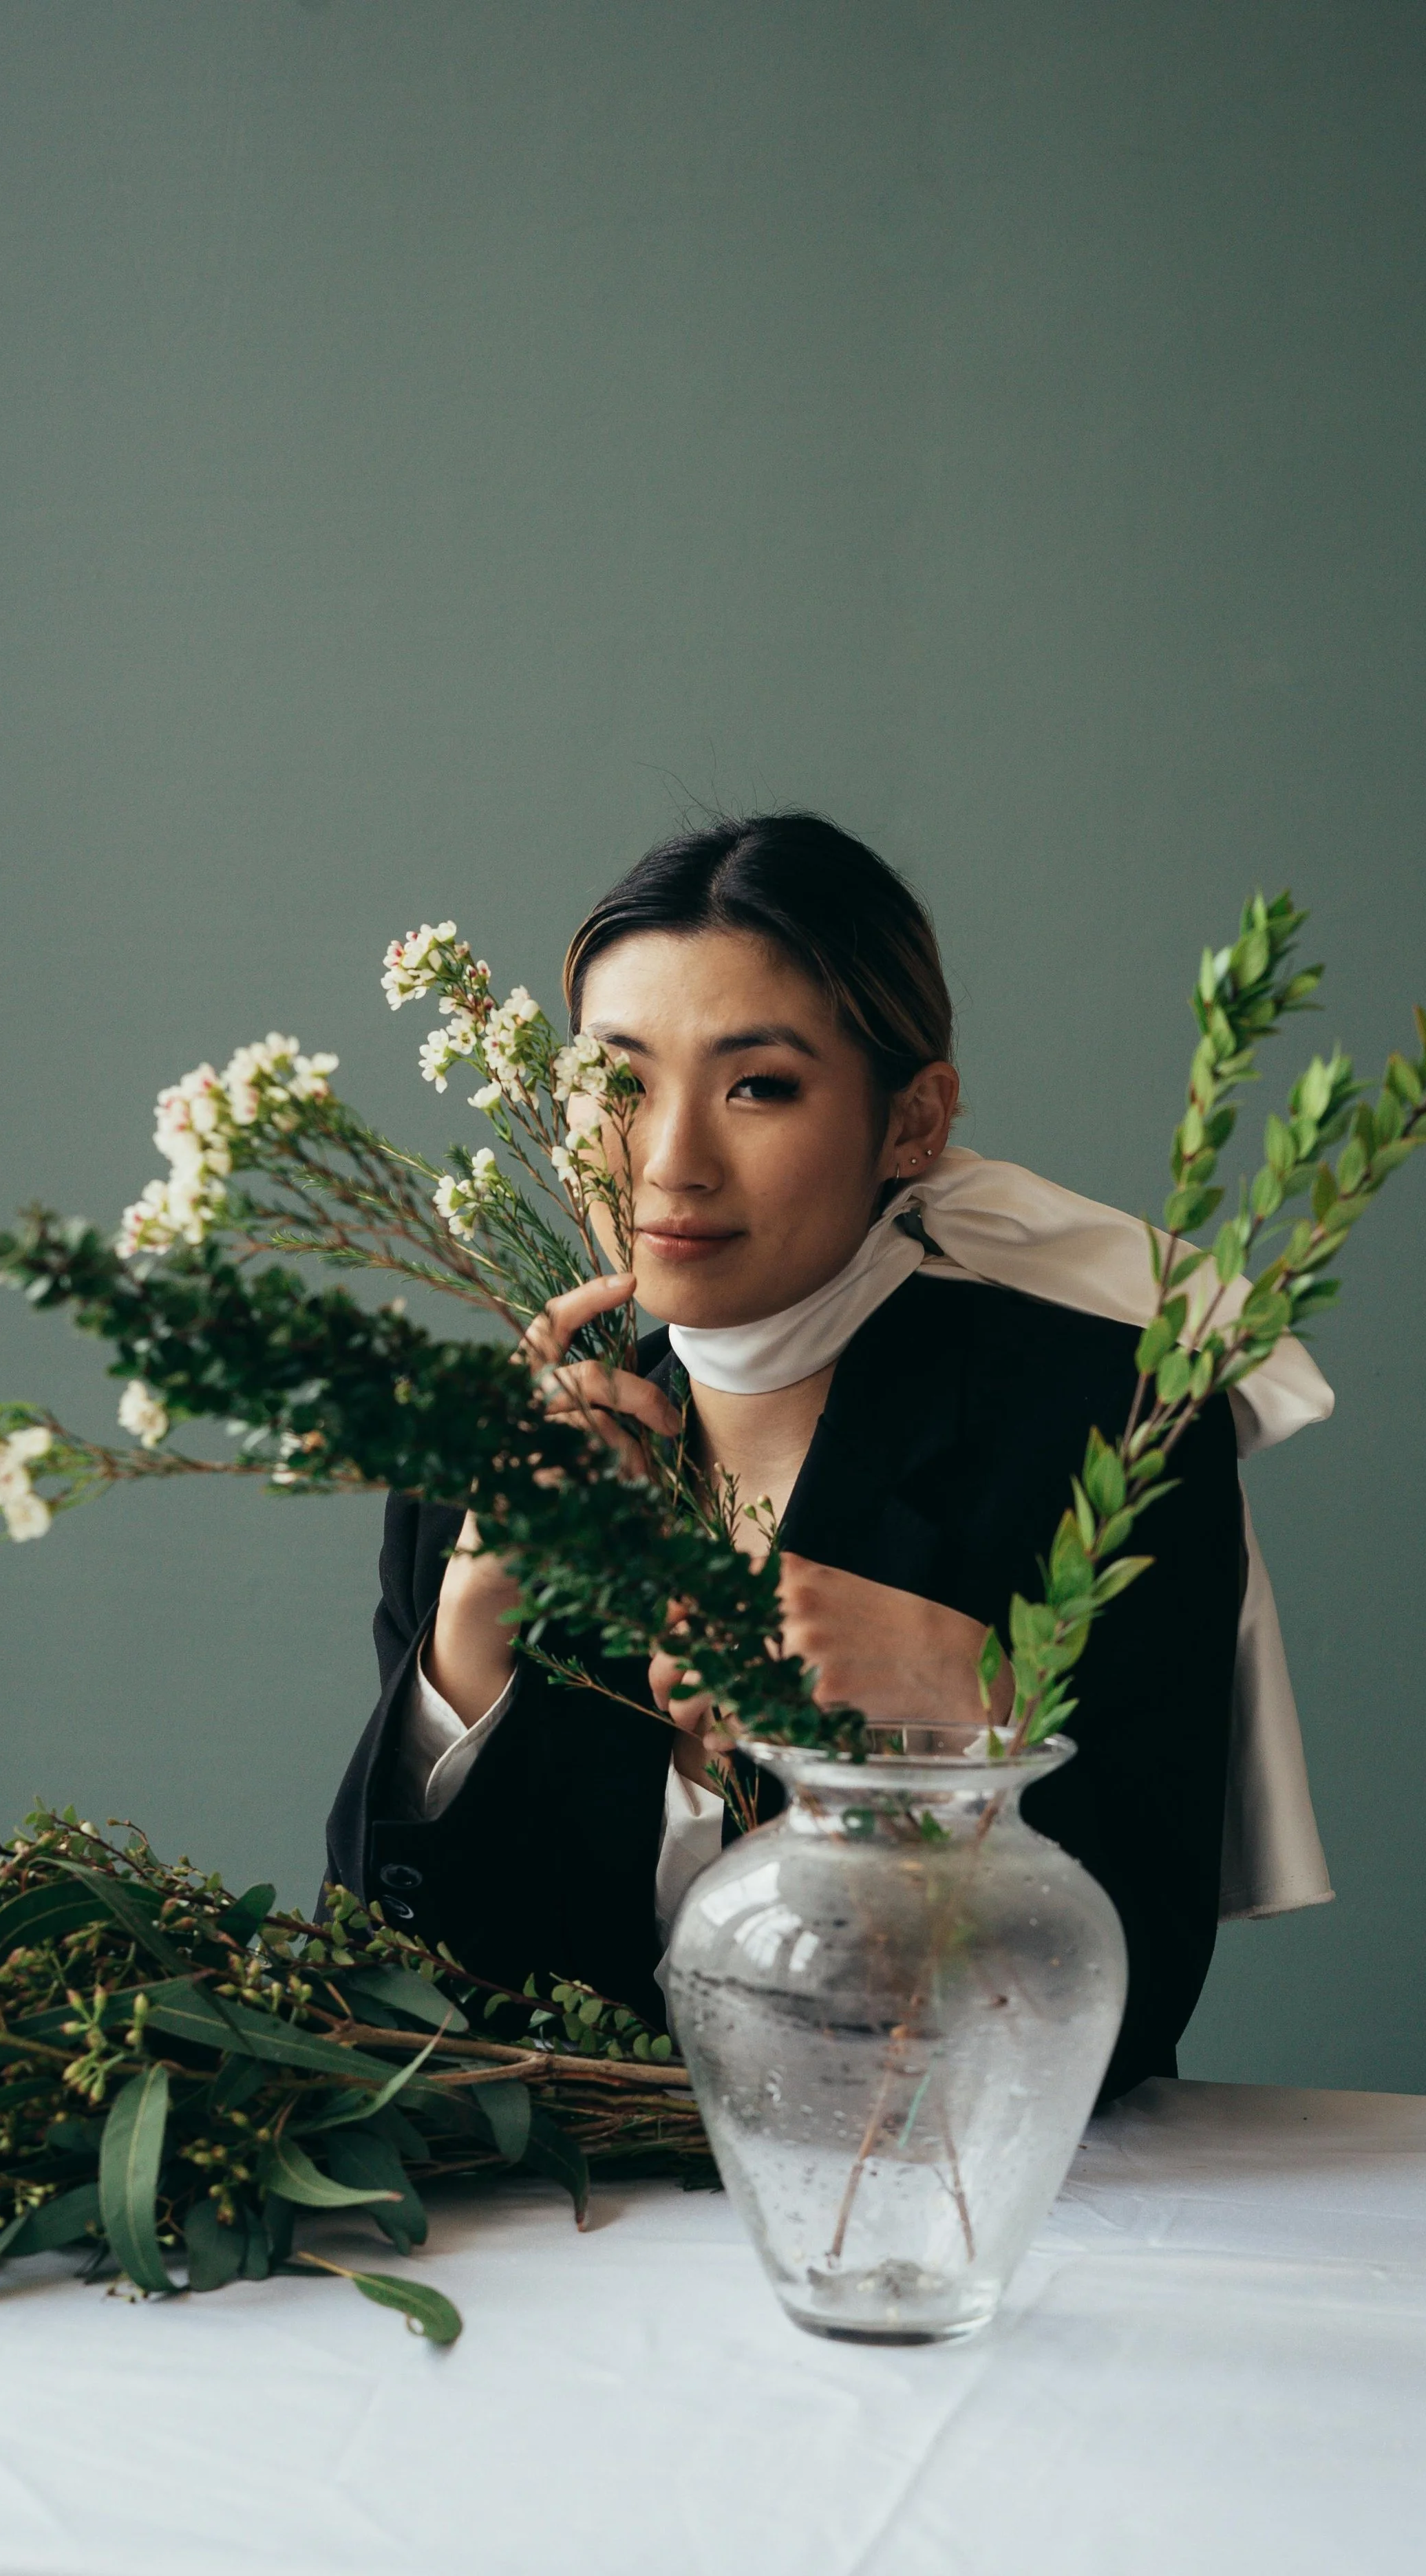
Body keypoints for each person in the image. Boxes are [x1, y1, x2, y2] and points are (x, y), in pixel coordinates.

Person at [326, 812, 1331, 2100]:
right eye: (617, 1082)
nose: (670, 1161)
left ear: (912, 1123)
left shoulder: (1110, 1432)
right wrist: (469, 1638)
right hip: (563, 2250)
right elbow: (381, 1998)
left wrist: (968, 1698)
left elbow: (1128, 2012)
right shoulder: (495, 1448)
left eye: (759, 1084)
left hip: (956, 2214)